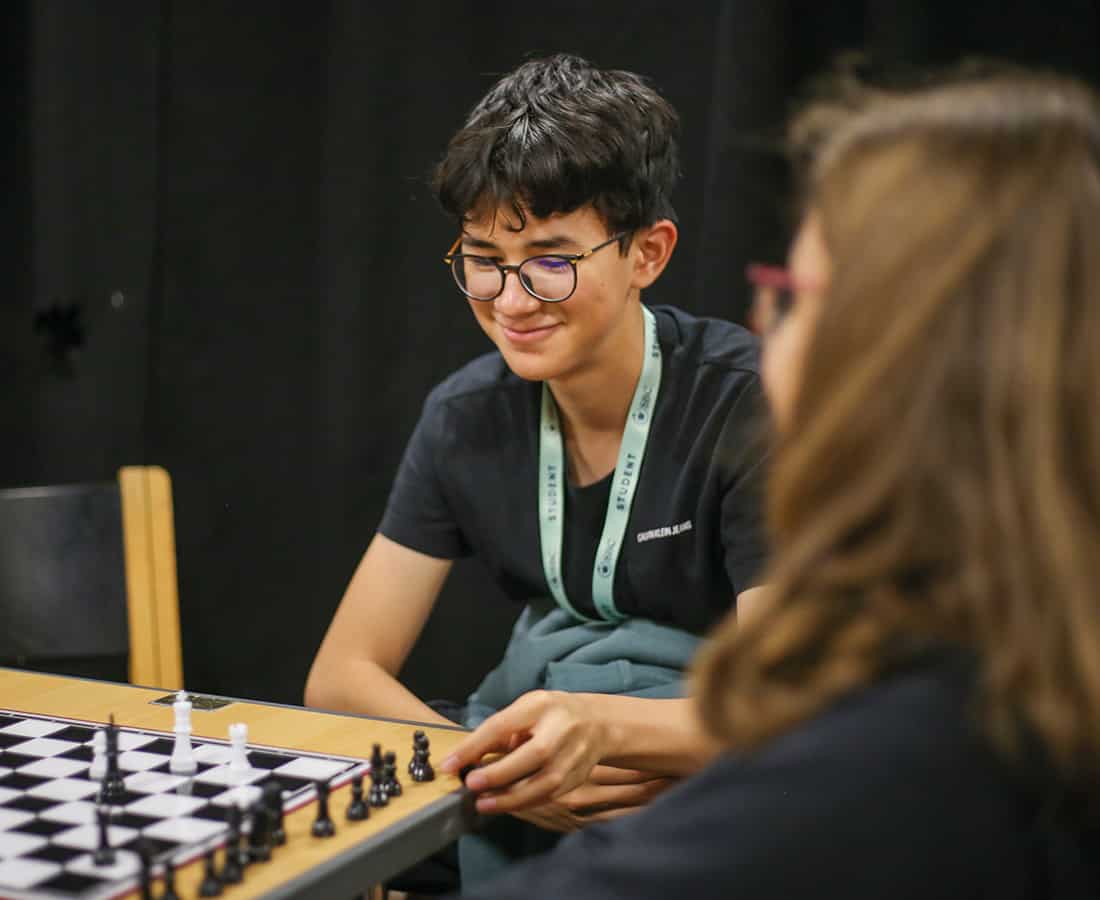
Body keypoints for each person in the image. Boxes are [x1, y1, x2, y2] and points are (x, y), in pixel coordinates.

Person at [447, 69, 1100, 899]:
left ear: (903, 360)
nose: (766, 337)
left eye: (792, 302)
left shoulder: (887, 747)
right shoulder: (1032, 666)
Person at [305, 54, 769, 884]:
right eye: (483, 258)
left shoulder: (745, 405)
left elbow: (785, 706)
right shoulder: (464, 415)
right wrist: (501, 770)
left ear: (648, 254)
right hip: (520, 755)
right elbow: (341, 678)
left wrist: (601, 733)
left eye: (552, 260)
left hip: (701, 772)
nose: (511, 301)